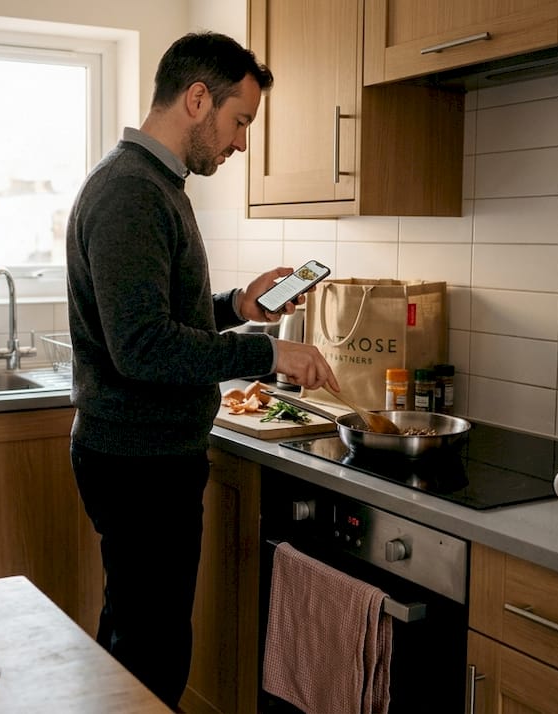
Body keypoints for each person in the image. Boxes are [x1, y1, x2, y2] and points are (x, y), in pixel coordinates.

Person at [65, 31, 339, 708]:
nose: (241, 143)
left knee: (135, 640)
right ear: (196, 99)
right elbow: (145, 348)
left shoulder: (150, 184)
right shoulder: (132, 193)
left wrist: (237, 306)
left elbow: (158, 317)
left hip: (142, 457)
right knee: (152, 654)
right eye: (239, 120)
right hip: (140, 462)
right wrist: (269, 351)